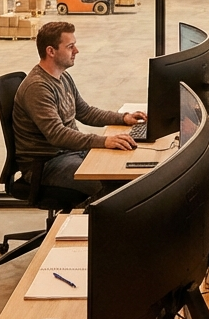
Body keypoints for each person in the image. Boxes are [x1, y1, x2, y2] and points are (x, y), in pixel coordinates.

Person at [13, 21, 146, 198]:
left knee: (125, 172)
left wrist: (123, 118)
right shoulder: (38, 87)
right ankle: (85, 221)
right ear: (51, 51)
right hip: (47, 164)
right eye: (70, 47)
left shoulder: (62, 76)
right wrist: (104, 141)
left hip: (70, 153)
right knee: (114, 189)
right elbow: (57, 134)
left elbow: (85, 112)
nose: (76, 51)